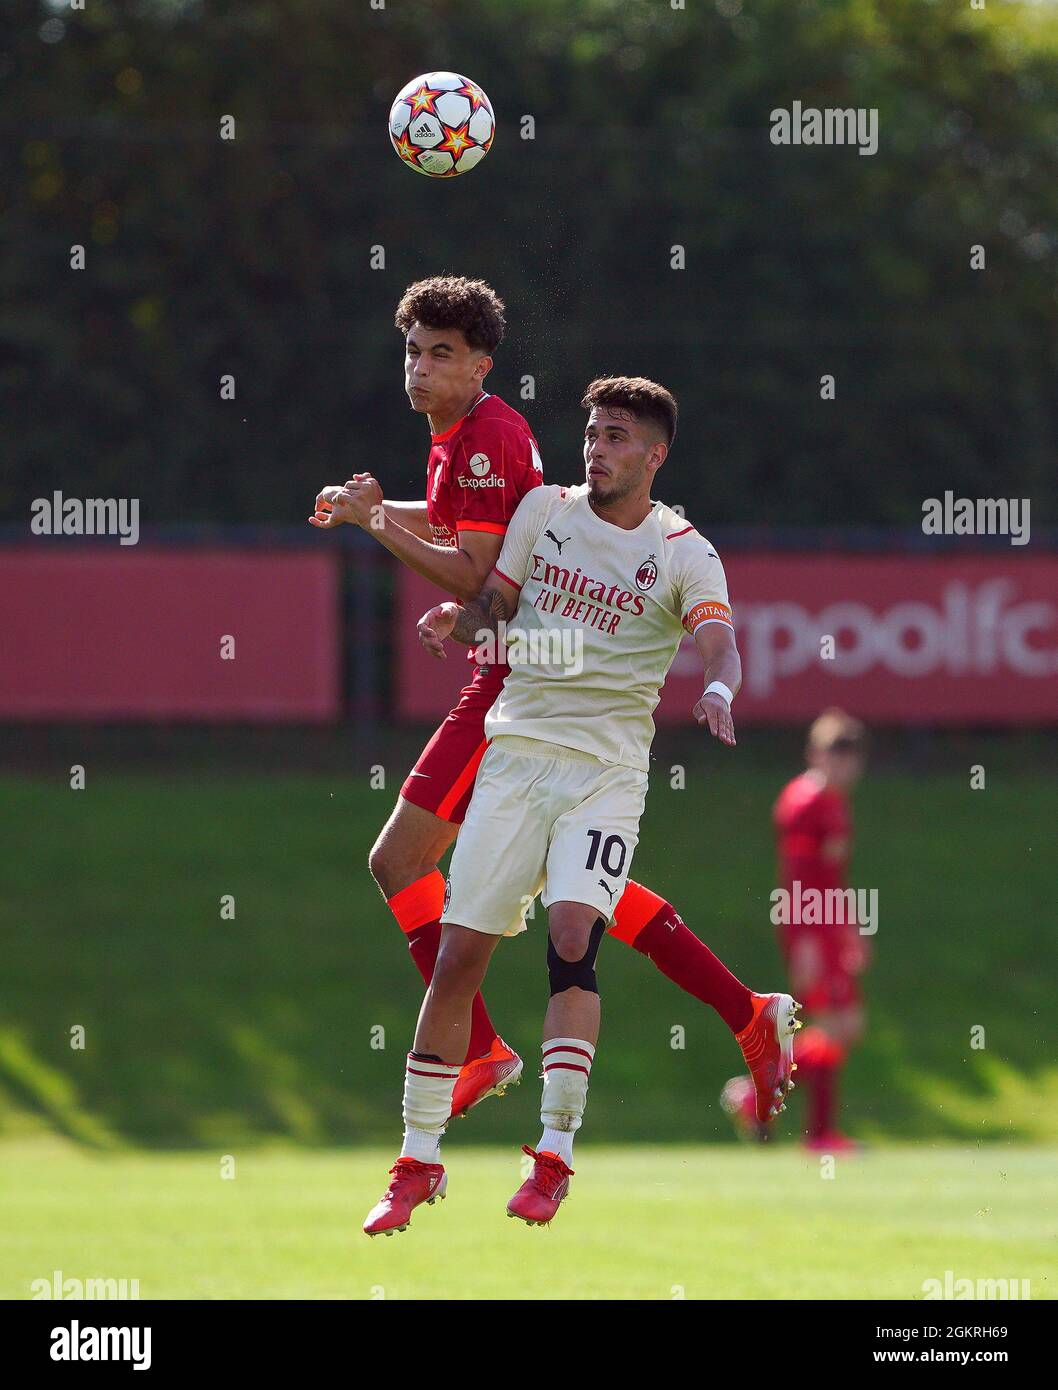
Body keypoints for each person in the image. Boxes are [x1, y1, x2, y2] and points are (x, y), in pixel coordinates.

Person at [312, 279, 799, 1134]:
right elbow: (474, 531)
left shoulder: (492, 435)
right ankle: (744, 1009)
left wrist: (374, 526)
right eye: (414, 352)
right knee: (564, 886)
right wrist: (379, 507)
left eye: (441, 354)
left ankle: (483, 1049)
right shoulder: (461, 438)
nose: (420, 370)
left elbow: (474, 567)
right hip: (509, 670)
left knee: (402, 863)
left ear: (481, 365)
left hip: (515, 687)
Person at [723, 709, 867, 1149]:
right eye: (834, 755)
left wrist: (849, 930)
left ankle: (780, 1109)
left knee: (840, 1027)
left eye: (849, 757)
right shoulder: (804, 802)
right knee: (840, 1024)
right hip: (809, 929)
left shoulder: (832, 802)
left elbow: (831, 878)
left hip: (826, 927)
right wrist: (805, 940)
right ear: (814, 754)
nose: (842, 765)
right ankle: (767, 1103)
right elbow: (798, 879)